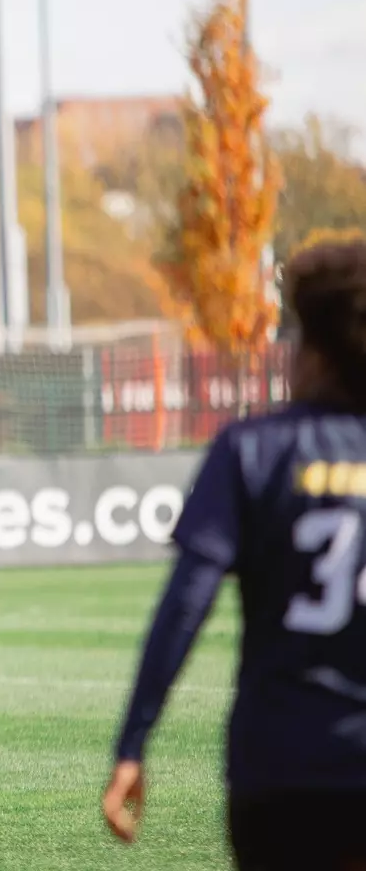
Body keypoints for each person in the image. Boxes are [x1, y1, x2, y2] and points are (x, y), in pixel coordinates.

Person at [104, 237, 366, 871]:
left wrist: (133, 742)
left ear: (313, 350)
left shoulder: (251, 449)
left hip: (279, 770)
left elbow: (185, 606)